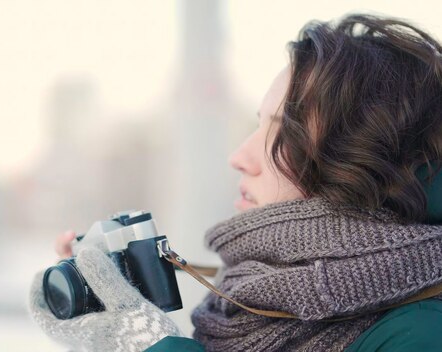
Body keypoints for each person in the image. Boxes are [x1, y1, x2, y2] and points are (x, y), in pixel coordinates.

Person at [30, 13, 442, 351]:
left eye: (283, 135)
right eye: (257, 125)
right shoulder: (246, 302)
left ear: (364, 162)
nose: (240, 157)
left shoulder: (420, 335)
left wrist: (147, 344)